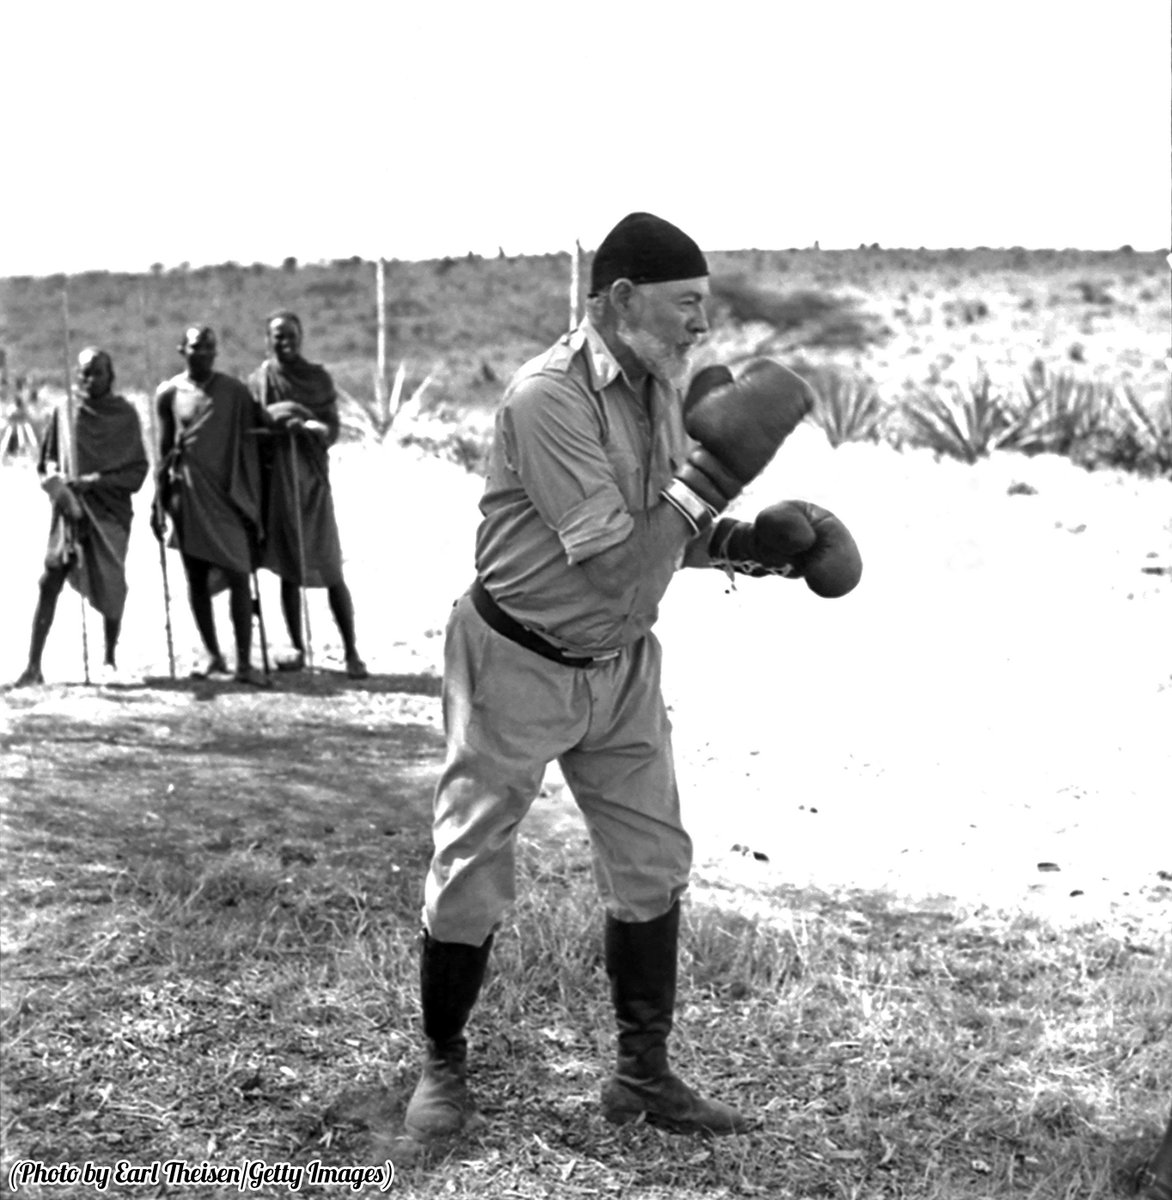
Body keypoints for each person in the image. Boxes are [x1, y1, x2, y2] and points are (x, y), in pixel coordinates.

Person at [403, 212, 862, 1143]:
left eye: (707, 307)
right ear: (620, 301)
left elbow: (660, 541)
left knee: (653, 866)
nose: (703, 326)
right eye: (686, 305)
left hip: (618, 663)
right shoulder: (546, 400)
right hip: (514, 661)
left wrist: (750, 547)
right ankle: (441, 1067)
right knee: (471, 873)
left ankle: (642, 1077)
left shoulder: (658, 385)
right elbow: (615, 561)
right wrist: (717, 469)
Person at [14, 348, 148, 687]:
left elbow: (137, 471)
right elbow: (46, 462)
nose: (90, 380)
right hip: (70, 510)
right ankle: (33, 666)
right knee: (50, 580)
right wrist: (58, 483)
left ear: (111, 376)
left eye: (97, 373)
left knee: (112, 582)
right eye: (84, 373)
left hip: (109, 511)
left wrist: (95, 481)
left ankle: (109, 659)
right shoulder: (65, 411)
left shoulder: (125, 416)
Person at [248, 311, 367, 679]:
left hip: (312, 479)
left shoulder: (318, 378)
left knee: (330, 565)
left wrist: (314, 427)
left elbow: (332, 428)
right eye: (278, 336)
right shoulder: (258, 380)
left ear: (301, 337)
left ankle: (351, 652)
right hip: (278, 481)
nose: (285, 342)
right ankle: (298, 648)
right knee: (288, 565)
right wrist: (279, 426)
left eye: (291, 336)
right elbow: (252, 429)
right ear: (268, 339)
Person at [152, 325, 268, 686]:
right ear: (181, 349)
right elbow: (164, 451)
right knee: (196, 577)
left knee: (238, 573)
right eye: (195, 347)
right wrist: (157, 503)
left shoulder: (234, 392)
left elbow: (258, 431)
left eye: (209, 348)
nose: (203, 353)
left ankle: (245, 663)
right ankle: (213, 654)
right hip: (186, 493)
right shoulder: (168, 393)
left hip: (229, 494)